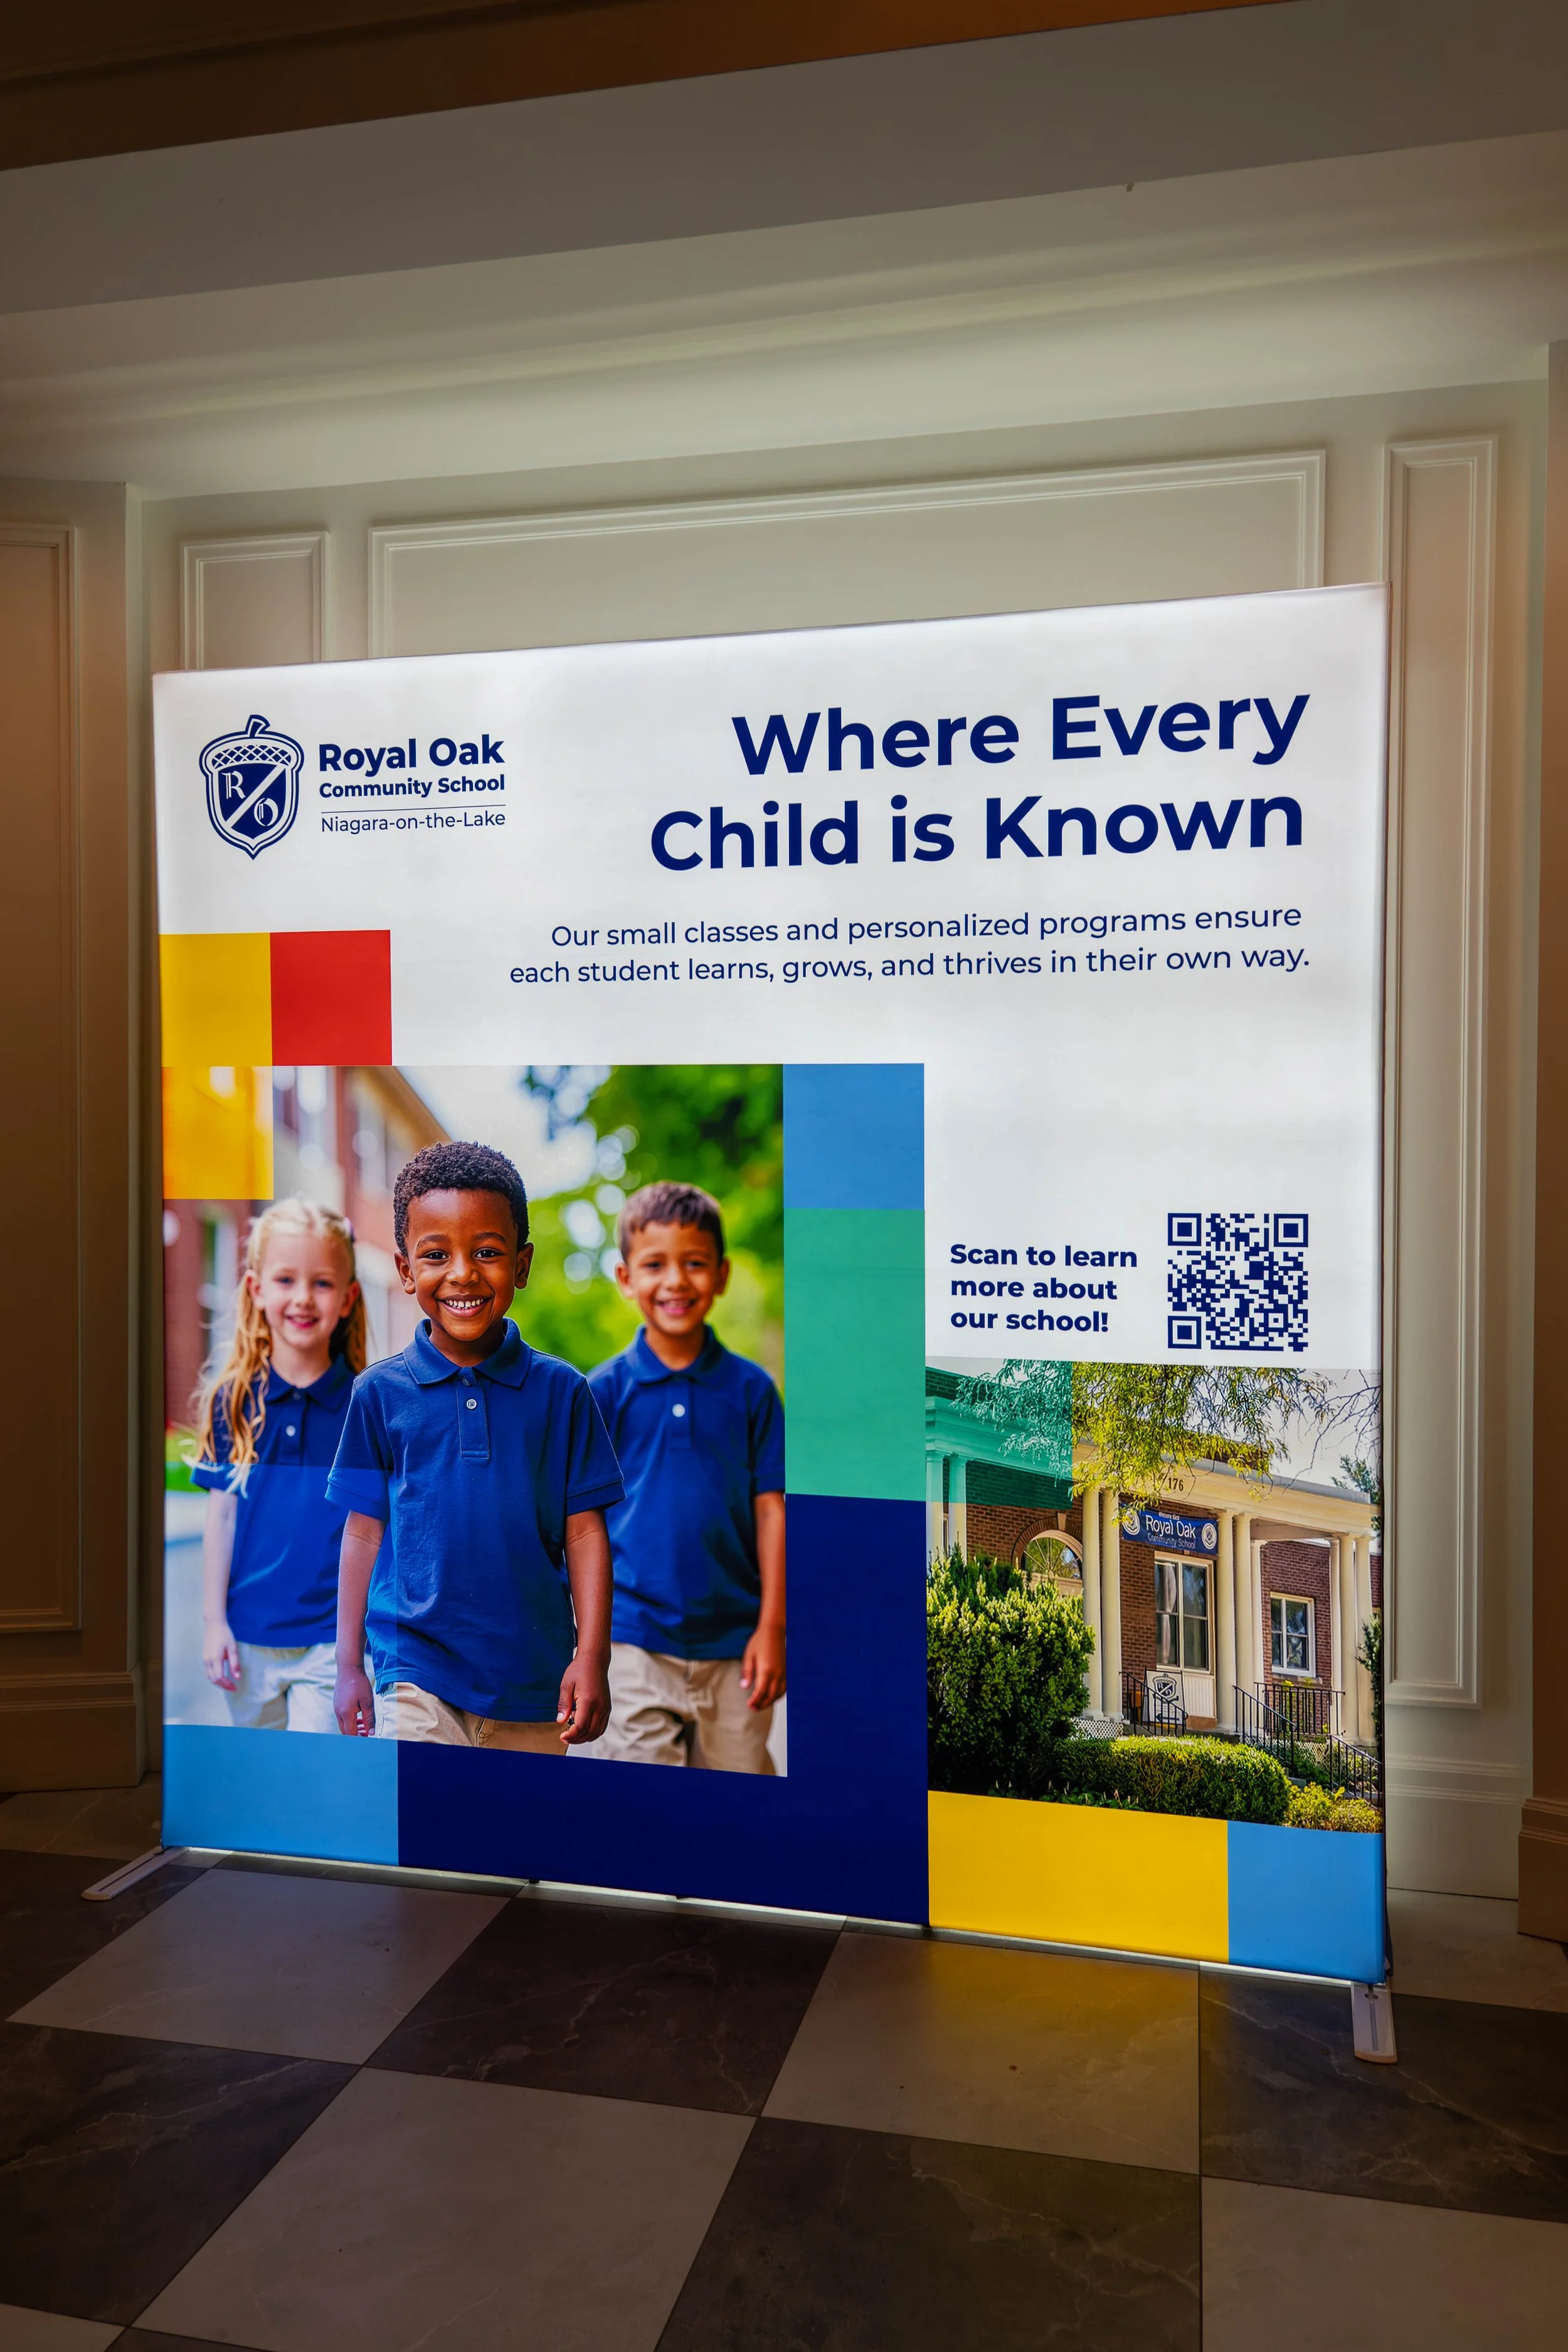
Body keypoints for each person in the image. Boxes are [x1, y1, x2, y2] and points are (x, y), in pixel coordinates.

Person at [328, 1140, 622, 1751]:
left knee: (514, 1819)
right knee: (421, 1815)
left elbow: (585, 1533)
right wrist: (349, 1664)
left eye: (487, 1252)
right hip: (416, 1670)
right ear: (405, 1270)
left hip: (534, 1681)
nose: (462, 1273)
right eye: (436, 1255)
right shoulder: (378, 1394)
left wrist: (592, 1656)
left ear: (521, 1263)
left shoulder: (563, 1392)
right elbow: (363, 1533)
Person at [582, 1180, 785, 1772]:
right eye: (655, 1265)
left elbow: (772, 1511)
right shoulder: (601, 1392)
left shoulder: (753, 1391)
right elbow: (579, 1521)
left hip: (736, 1646)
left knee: (739, 1811)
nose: (675, 1281)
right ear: (626, 1278)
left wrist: (772, 1627)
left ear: (721, 1275)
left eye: (694, 1263)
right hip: (633, 1642)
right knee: (643, 1811)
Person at [193, 1197, 365, 1732]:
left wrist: (360, 1649)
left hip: (330, 1645)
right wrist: (214, 1623)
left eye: (322, 1283)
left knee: (311, 1772)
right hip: (247, 1641)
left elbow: (373, 1529)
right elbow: (221, 1517)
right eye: (286, 1279)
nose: (303, 1298)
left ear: (347, 1297)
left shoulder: (366, 1404)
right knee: (263, 1775)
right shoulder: (231, 1400)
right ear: (256, 1289)